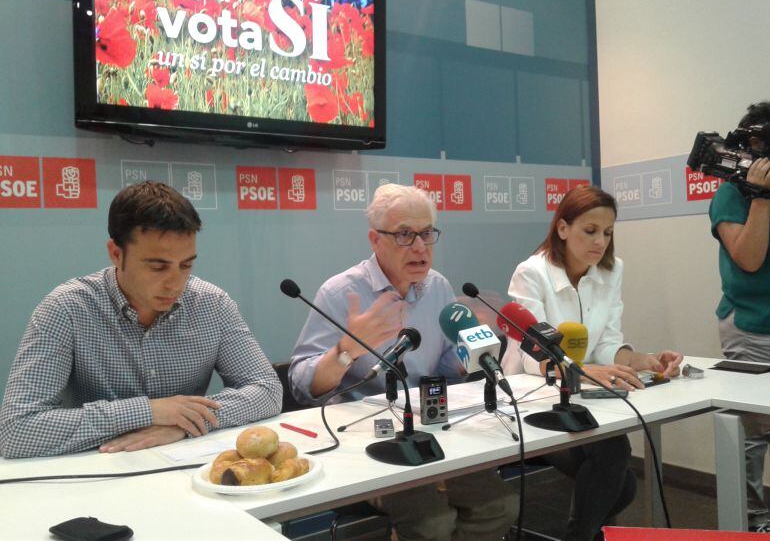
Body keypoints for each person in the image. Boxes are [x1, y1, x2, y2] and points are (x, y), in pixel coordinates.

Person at [289, 183, 516, 541]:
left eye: (426, 233)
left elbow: (444, 367)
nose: (420, 247)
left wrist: (467, 356)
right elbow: (302, 385)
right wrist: (347, 349)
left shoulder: (438, 287)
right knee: (432, 523)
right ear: (375, 240)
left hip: (432, 428)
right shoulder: (340, 293)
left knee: (500, 505)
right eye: (405, 234)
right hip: (367, 441)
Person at [0, 181, 282, 459]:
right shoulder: (67, 309)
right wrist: (149, 411)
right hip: (99, 468)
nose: (175, 283)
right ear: (116, 253)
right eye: (158, 267)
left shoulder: (212, 304)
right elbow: (15, 430)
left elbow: (267, 390)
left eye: (186, 265)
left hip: (186, 466)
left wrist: (184, 422)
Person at [501, 185, 682, 541]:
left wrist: (643, 360)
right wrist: (583, 371)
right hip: (532, 399)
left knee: (619, 478)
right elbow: (532, 357)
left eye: (608, 232)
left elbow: (608, 345)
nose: (600, 242)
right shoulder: (531, 273)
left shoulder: (611, 271)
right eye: (590, 230)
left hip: (584, 396)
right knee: (615, 459)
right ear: (562, 228)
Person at [710, 101, 770, 533]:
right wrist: (762, 198)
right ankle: (750, 523)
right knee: (753, 436)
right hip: (750, 328)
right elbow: (748, 259)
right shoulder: (730, 195)